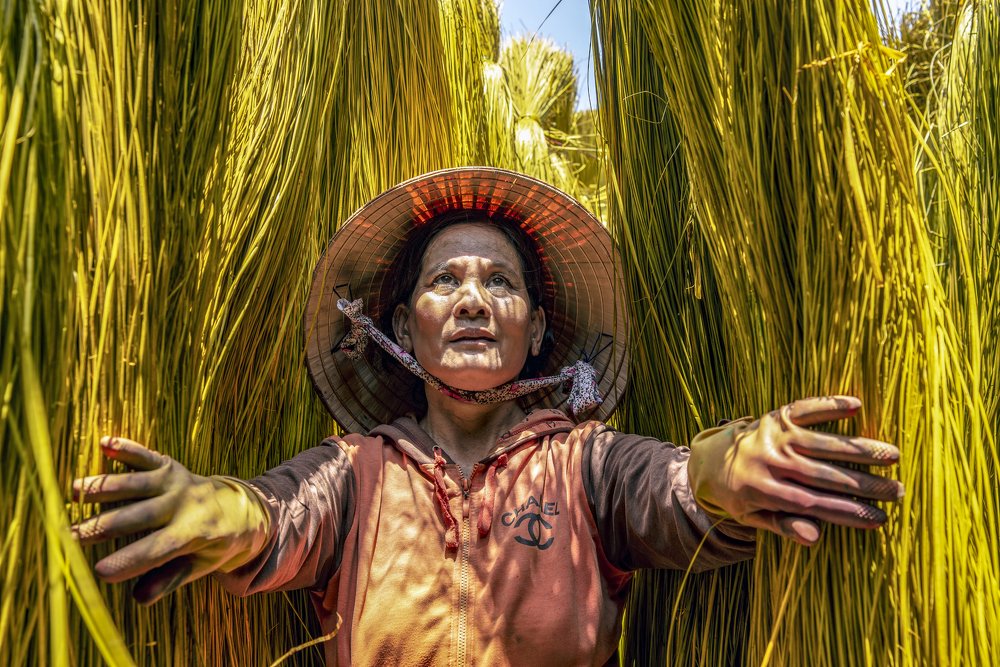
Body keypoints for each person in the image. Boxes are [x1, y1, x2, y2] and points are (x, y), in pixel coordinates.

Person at [72, 167, 903, 665]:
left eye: (500, 284)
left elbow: (678, 487)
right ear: (402, 327)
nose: (472, 299)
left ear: (537, 331)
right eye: (445, 282)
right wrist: (203, 510)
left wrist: (736, 462)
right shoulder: (356, 471)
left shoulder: (585, 465)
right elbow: (274, 517)